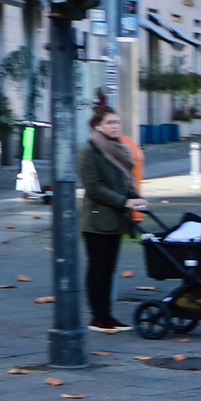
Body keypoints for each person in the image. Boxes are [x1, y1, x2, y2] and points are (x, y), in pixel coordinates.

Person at [80, 107, 147, 333]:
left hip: (116, 219)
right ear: (97, 125)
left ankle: (107, 315)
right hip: (97, 220)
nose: (115, 126)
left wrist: (135, 199)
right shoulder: (90, 152)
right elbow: (94, 188)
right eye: (109, 122)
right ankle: (98, 317)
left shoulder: (120, 149)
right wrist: (123, 202)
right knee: (98, 268)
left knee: (109, 269)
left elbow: (126, 181)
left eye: (117, 122)